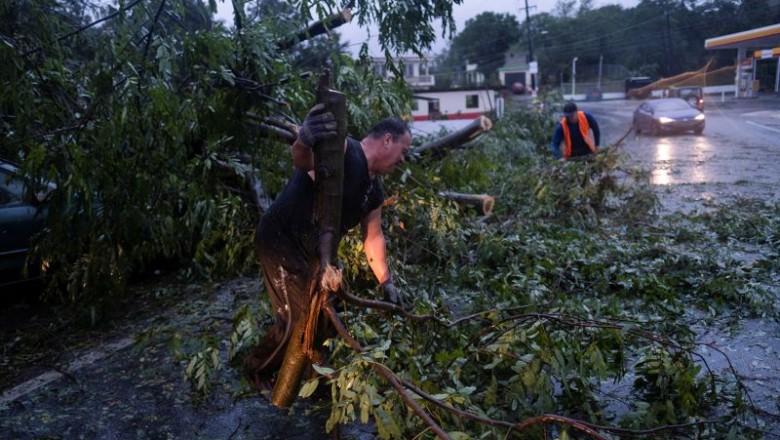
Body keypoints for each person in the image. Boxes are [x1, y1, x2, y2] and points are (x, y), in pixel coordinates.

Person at [244, 104, 411, 389]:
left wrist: (387, 283)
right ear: (387, 140)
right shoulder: (345, 150)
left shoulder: (375, 190)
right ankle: (255, 370)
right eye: (403, 151)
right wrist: (305, 138)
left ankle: (311, 379)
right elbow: (303, 161)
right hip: (281, 239)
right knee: (296, 317)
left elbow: (373, 238)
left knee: (322, 317)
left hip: (315, 254)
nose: (403, 160)